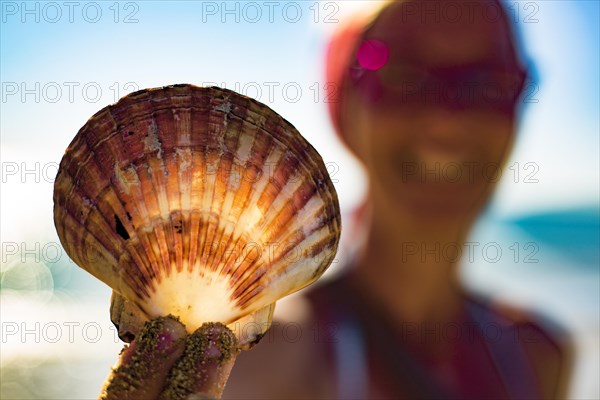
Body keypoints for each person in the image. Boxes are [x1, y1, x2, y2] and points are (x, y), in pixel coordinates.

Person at [104, 1, 572, 398]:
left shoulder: (540, 354)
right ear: (345, 107)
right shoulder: (259, 367)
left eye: (488, 83)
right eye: (403, 77)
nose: (446, 118)